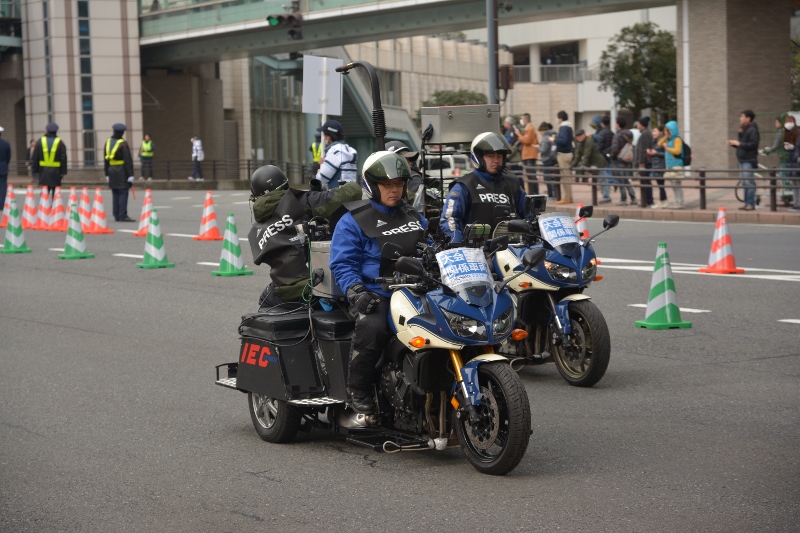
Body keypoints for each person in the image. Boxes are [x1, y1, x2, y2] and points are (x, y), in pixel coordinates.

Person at [329, 151, 427, 413]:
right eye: (387, 185)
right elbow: (342, 263)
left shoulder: (413, 215)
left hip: (416, 290)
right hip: (377, 293)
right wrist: (355, 290)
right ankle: (358, 391)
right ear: (372, 185)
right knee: (373, 327)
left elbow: (432, 248)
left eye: (398, 184)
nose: (394, 190)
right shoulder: (353, 220)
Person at [248, 165, 362, 309]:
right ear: (285, 183)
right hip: (315, 283)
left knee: (265, 300)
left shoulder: (258, 226)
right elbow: (352, 193)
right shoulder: (300, 202)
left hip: (284, 288)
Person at [440, 132, 527, 243]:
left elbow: (528, 214)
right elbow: (450, 219)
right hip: (476, 251)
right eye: (490, 156)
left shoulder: (512, 183)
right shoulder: (464, 186)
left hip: (511, 249)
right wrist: (456, 243)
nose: (496, 160)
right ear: (479, 157)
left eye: (499, 156)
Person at [727, 110, 760, 211]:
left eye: (742, 116)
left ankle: (750, 203)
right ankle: (746, 203)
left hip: (748, 160)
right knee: (745, 182)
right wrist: (734, 143)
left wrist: (739, 144)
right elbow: (742, 145)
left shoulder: (753, 130)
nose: (740, 118)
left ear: (748, 118)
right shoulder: (745, 129)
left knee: (748, 182)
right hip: (742, 159)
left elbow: (753, 145)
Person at [104, 123, 135, 222]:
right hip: (121, 170)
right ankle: (123, 215)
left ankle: (116, 214)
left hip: (111, 170)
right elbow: (127, 160)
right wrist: (130, 175)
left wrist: (106, 174)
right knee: (123, 192)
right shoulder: (123, 144)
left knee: (115, 192)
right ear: (122, 133)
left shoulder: (107, 142)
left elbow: (105, 160)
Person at [315, 120, 358, 189]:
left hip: (338, 195)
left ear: (328, 136)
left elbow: (322, 178)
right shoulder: (348, 149)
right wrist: (325, 163)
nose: (324, 138)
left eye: (324, 135)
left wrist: (319, 172)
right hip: (350, 193)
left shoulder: (335, 152)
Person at [571, 129, 609, 202]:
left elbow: (586, 154)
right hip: (592, 164)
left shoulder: (588, 141)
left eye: (580, 136)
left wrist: (582, 165)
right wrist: (573, 165)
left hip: (598, 162)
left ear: (584, 135)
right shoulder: (579, 143)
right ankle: (605, 195)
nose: (578, 138)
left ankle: (606, 196)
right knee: (599, 180)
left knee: (602, 179)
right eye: (577, 137)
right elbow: (577, 155)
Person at [32, 122, 67, 199]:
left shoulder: (40, 142)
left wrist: (35, 170)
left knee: (45, 190)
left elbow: (35, 157)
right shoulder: (60, 143)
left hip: (43, 171)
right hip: (56, 172)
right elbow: (63, 158)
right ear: (56, 131)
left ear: (46, 130)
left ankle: (44, 208)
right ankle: (55, 208)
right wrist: (63, 172)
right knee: (56, 192)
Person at [659, 121, 686, 209]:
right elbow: (659, 144)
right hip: (670, 165)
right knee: (673, 185)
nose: (666, 132)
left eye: (667, 130)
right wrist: (665, 137)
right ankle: (676, 201)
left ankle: (680, 202)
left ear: (672, 130)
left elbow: (677, 151)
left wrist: (667, 148)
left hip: (676, 164)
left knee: (677, 185)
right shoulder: (669, 139)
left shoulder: (677, 139)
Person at [609, 117, 636, 206]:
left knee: (621, 180)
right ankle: (633, 198)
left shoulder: (618, 136)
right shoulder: (629, 134)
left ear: (618, 124)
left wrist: (612, 156)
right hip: (627, 159)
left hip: (619, 160)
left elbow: (615, 149)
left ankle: (623, 199)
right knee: (627, 180)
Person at [516, 113, 540, 194]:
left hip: (530, 154)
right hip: (527, 154)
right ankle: (532, 192)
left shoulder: (530, 129)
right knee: (529, 175)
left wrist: (519, 135)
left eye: (522, 119)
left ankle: (534, 192)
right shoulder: (527, 129)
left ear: (526, 119)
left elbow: (527, 141)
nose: (521, 120)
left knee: (532, 175)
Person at [554, 110, 574, 204]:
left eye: (558, 118)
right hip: (568, 153)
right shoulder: (568, 127)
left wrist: (554, 138)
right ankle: (569, 197)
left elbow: (563, 141)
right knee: (567, 176)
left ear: (560, 118)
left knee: (565, 177)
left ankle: (566, 197)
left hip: (563, 154)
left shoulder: (564, 127)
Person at [647, 126, 669, 208]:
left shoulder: (662, 141)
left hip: (661, 165)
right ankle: (663, 200)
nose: (653, 133)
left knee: (660, 184)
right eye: (653, 131)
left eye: (655, 131)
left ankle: (663, 201)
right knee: (660, 184)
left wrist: (655, 153)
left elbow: (666, 154)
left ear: (661, 132)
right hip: (655, 165)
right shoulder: (654, 141)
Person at [634, 117, 654, 207]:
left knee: (645, 182)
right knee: (646, 181)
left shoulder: (644, 134)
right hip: (647, 161)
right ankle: (647, 200)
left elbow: (643, 149)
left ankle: (647, 200)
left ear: (641, 125)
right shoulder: (646, 133)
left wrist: (641, 162)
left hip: (645, 162)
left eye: (638, 123)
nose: (637, 125)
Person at [537, 122, 558, 200]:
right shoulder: (554, 135)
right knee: (554, 178)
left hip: (547, 160)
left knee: (547, 178)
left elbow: (543, 150)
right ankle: (556, 194)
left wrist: (538, 147)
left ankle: (551, 195)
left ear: (543, 130)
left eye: (540, 131)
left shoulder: (546, 137)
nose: (540, 133)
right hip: (553, 159)